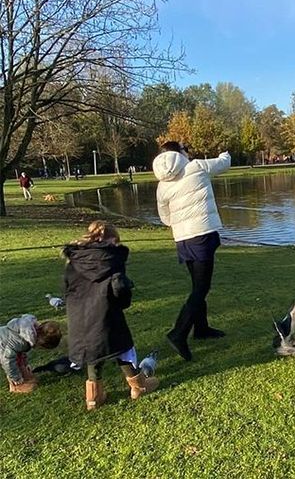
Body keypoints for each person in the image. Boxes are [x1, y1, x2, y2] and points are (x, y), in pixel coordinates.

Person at [63, 221, 159, 410]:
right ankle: (138, 386)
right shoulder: (111, 259)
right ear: (112, 239)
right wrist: (124, 298)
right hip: (106, 311)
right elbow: (119, 288)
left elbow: (67, 288)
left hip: (80, 315)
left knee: (93, 351)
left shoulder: (75, 259)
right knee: (122, 347)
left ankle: (93, 397)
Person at [153, 141, 231, 361]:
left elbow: (164, 217)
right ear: (180, 152)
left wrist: (180, 223)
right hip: (202, 235)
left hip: (183, 239)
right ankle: (178, 333)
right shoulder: (196, 166)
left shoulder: (162, 184)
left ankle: (202, 328)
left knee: (198, 285)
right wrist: (224, 150)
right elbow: (225, 163)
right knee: (201, 288)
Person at [0, 314, 61, 393]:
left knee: (17, 362)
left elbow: (20, 353)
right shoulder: (18, 341)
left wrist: (25, 363)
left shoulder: (24, 332)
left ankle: (22, 379)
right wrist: (16, 378)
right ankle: (16, 386)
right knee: (13, 364)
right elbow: (7, 360)